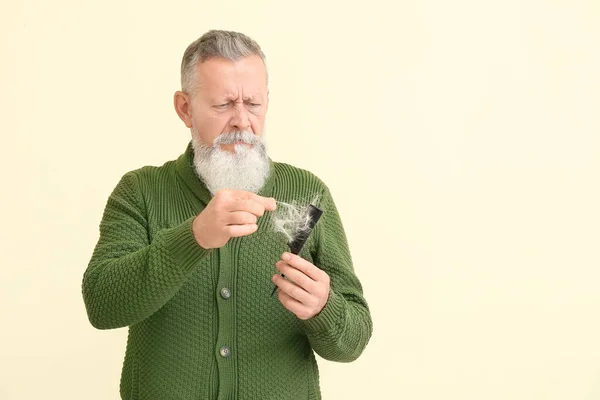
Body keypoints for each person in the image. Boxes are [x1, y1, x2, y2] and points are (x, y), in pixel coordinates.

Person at [82, 30, 372, 400]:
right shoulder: (141, 192)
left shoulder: (307, 193)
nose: (241, 121)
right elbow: (102, 306)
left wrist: (323, 308)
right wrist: (195, 236)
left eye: (252, 104)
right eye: (223, 105)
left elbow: (354, 341)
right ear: (185, 108)